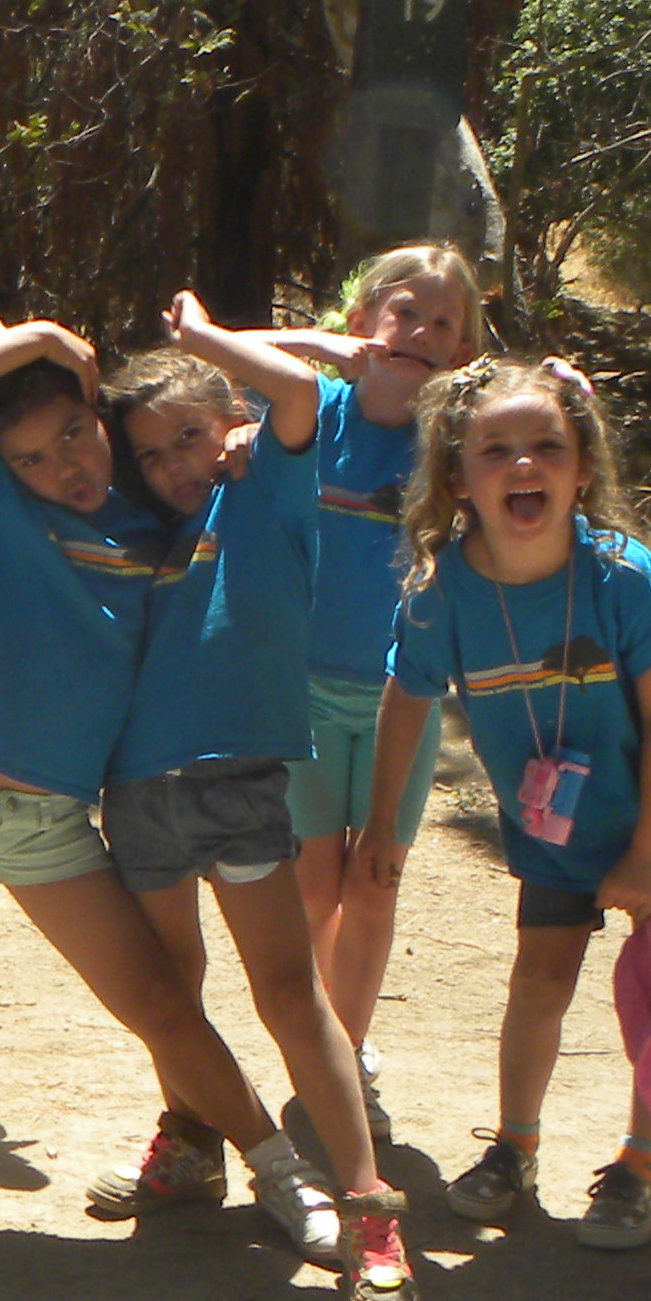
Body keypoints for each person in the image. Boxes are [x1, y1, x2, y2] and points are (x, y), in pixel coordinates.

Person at [0, 315, 378, 1301]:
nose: (59, 465)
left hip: (51, 817)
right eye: (30, 454)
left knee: (156, 999)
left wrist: (224, 435)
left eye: (74, 435)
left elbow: (246, 469)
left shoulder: (160, 520)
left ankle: (279, 1172)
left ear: (102, 424)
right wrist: (41, 337)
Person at [356, 356, 651, 1252]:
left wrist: (650, 854)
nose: (523, 464)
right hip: (555, 821)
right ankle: (514, 1147)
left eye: (546, 447)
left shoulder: (623, 576)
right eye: (496, 450)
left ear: (583, 469)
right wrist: (382, 824)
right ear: (457, 479)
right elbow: (407, 699)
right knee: (540, 978)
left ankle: (640, 1163)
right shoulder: (441, 593)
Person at [98, 296, 416, 1301]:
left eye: (190, 434)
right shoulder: (134, 526)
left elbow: (299, 390)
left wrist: (201, 340)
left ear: (229, 422)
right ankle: (190, 1144)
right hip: (136, 789)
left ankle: (368, 1208)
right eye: (151, 454)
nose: (175, 465)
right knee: (171, 991)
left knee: (289, 992)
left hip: (239, 783)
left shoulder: (269, 489)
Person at [262, 243, 484, 1075]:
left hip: (405, 700)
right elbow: (206, 349)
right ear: (362, 320)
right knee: (314, 886)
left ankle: (345, 1059)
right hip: (302, 693)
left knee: (375, 879)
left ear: (461, 350)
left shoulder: (453, 444)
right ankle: (325, 1043)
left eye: (443, 324)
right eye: (405, 313)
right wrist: (321, 349)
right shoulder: (312, 407)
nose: (421, 333)